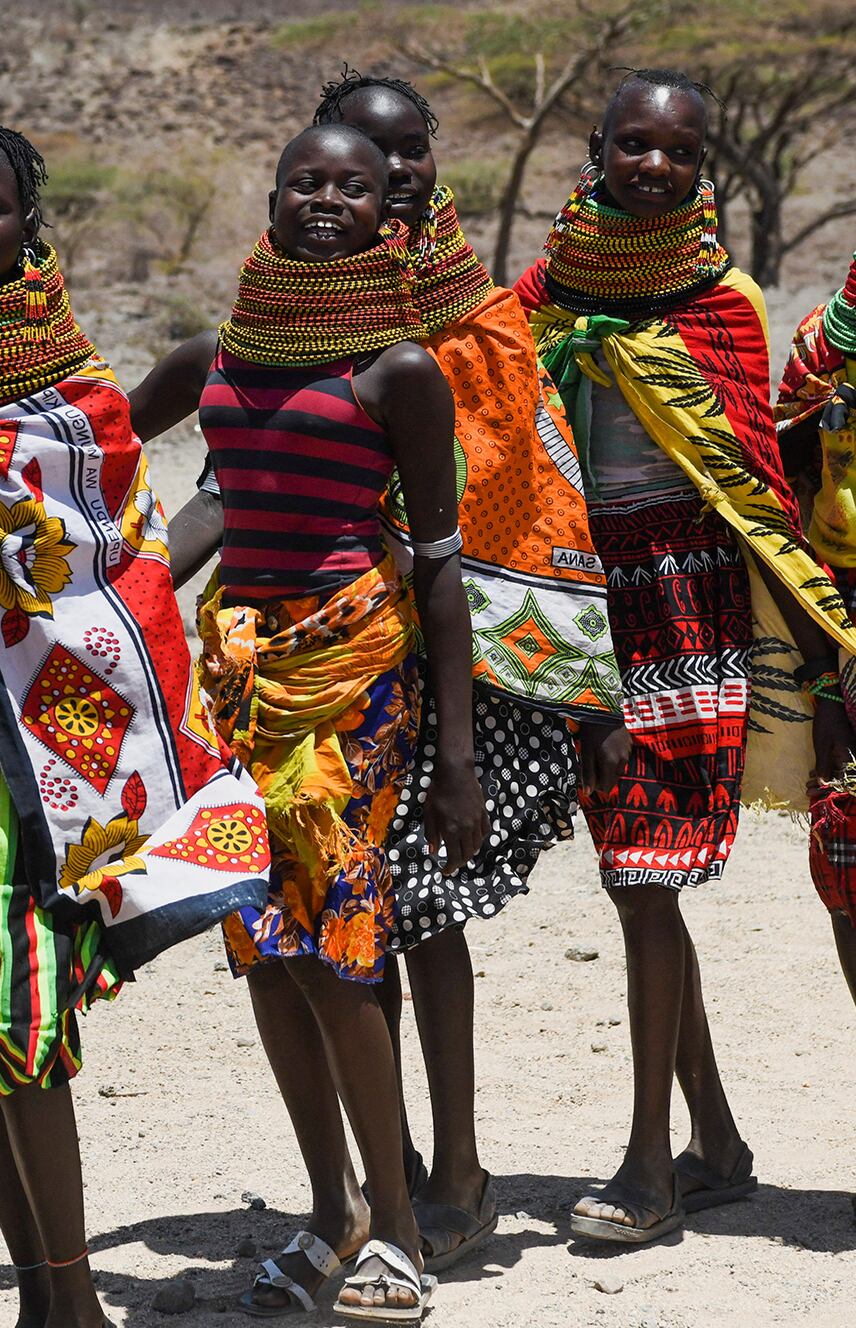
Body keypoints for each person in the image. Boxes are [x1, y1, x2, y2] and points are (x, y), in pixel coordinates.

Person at [0, 113, 271, 1328]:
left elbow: (117, 557)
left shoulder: (75, 404)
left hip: (43, 758)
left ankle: (73, 1296)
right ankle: (45, 1287)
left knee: (16, 1019)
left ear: (30, 224)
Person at [133, 122, 488, 1322]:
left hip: (357, 684)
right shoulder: (213, 358)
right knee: (262, 953)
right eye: (305, 179)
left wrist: (457, 748)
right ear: (271, 194)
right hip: (240, 685)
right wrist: (112, 595)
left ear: (394, 210)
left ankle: (396, 1229)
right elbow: (150, 479)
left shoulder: (399, 372)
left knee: (338, 949)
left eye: (356, 184)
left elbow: (439, 561)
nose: (327, 197)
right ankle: (331, 1206)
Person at [515, 68, 856, 1243]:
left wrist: (825, 650)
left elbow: (755, 488)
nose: (655, 165)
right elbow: (507, 448)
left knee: (644, 873)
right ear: (596, 147)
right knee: (631, 875)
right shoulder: (540, 297)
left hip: (685, 606)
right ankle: (710, 1136)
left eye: (679, 150)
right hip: (575, 611)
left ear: (704, 163)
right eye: (635, 144)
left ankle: (650, 1166)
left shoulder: (723, 303)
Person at [305, 70, 628, 1273]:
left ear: (433, 165)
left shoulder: (480, 316)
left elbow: (540, 494)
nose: (390, 180)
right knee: (350, 928)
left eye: (408, 156)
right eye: (363, 159)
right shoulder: (297, 306)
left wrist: (586, 686)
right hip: (329, 661)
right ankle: (378, 1183)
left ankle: (458, 1167)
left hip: (465, 668)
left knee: (426, 915)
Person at [772, 250, 856, 1004]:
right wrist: (825, 685)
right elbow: (785, 527)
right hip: (852, 646)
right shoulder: (822, 352)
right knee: (850, 861)